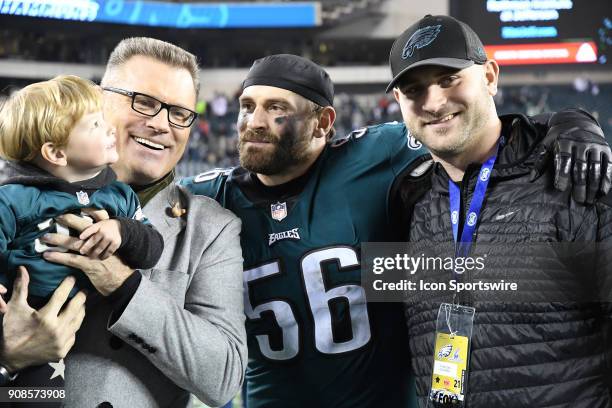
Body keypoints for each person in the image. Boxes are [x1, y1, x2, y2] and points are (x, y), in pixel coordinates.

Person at [180, 54, 611, 407]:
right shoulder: (208, 197)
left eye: (277, 110)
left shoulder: (377, 156)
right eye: (247, 106)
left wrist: (569, 123)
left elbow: (473, 131)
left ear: (323, 123)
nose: (254, 121)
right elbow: (136, 196)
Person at [0, 37, 247, 408]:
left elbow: (224, 377)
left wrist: (123, 284)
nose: (162, 124)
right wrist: (8, 359)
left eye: (180, 113)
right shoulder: (12, 199)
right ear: (98, 98)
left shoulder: (211, 227)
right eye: (143, 102)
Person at [387, 14, 612, 407]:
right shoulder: (413, 201)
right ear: (399, 102)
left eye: (449, 79)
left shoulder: (575, 181)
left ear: (490, 77)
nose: (434, 102)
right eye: (414, 89)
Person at [0, 74, 164, 394]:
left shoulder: (120, 196)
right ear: (57, 153)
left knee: (44, 399)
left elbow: (152, 247)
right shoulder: (16, 197)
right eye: (95, 124)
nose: (110, 128)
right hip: (15, 318)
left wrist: (122, 229)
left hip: (71, 334)